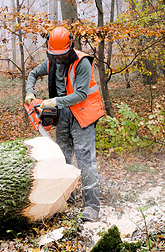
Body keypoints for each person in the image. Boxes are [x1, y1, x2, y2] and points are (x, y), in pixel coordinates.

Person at [25, 26, 105, 222]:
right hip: (63, 116)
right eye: (55, 55)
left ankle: (92, 207)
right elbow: (33, 74)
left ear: (70, 46)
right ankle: (67, 201)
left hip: (83, 115)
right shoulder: (52, 61)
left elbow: (81, 94)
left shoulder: (82, 62)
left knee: (86, 161)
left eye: (62, 55)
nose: (59, 59)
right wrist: (30, 92)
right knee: (63, 158)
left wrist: (55, 102)